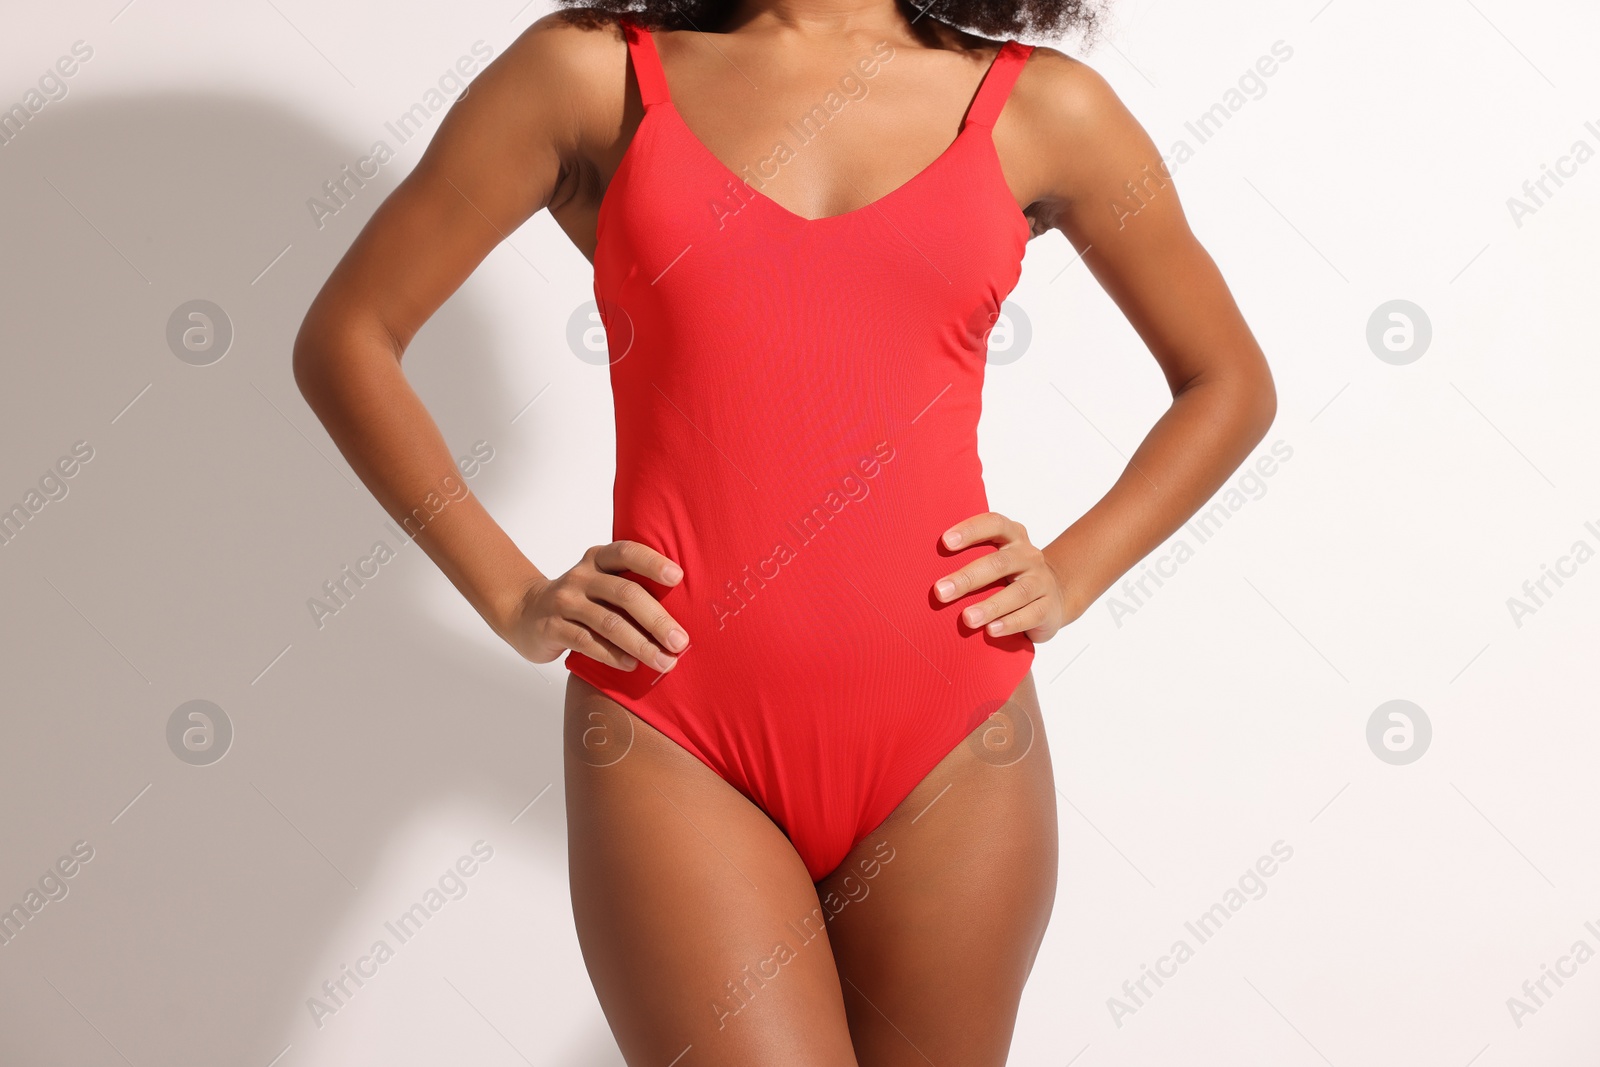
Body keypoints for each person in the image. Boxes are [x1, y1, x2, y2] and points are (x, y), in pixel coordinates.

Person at [293, 1, 1276, 1062]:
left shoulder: (1041, 105)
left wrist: (1074, 571)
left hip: (955, 738)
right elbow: (350, 335)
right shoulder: (592, 76)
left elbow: (1226, 382)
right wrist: (510, 594)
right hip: (674, 727)